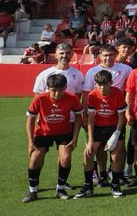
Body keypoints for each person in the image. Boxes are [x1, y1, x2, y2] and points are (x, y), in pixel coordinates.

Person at [23, 74, 82, 202]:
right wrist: (30, 141)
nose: (57, 93)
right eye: (53, 90)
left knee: (65, 158)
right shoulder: (39, 99)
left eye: (60, 90)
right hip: (42, 133)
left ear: (65, 87)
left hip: (64, 132)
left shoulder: (72, 98)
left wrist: (75, 137)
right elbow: (30, 120)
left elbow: (78, 117)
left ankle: (60, 189)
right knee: (34, 159)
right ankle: (33, 190)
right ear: (48, 88)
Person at [75, 69, 127, 198]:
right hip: (98, 127)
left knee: (116, 155)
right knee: (87, 154)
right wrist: (91, 140)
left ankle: (115, 185)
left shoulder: (117, 93)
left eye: (105, 84)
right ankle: (88, 187)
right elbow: (91, 118)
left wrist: (116, 134)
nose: (102, 87)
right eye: (99, 84)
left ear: (111, 83)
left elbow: (122, 117)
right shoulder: (92, 95)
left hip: (115, 126)